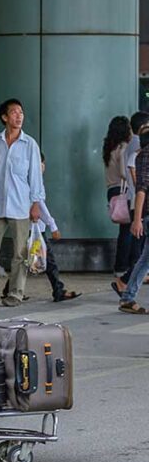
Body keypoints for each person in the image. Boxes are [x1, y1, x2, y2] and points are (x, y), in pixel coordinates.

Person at [0, 99, 44, 307]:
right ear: (5, 117)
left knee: (19, 253)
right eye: (14, 113)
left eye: (21, 113)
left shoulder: (29, 144)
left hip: (21, 205)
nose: (19, 116)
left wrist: (36, 203)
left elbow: (35, 177)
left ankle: (15, 292)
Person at [3, 153, 80, 303]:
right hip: (34, 228)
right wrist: (53, 226)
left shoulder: (29, 180)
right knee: (43, 260)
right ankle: (57, 290)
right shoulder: (33, 182)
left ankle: (10, 289)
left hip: (33, 227)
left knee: (27, 259)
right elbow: (41, 207)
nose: (42, 167)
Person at [120, 124, 149, 314]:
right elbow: (141, 189)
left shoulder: (142, 155)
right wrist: (136, 219)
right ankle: (128, 296)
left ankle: (128, 297)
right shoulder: (146, 155)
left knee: (146, 259)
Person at [104, 116, 133, 283]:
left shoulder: (109, 148)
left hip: (111, 190)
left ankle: (120, 267)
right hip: (123, 190)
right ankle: (122, 267)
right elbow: (124, 172)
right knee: (127, 230)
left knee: (124, 230)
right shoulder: (123, 148)